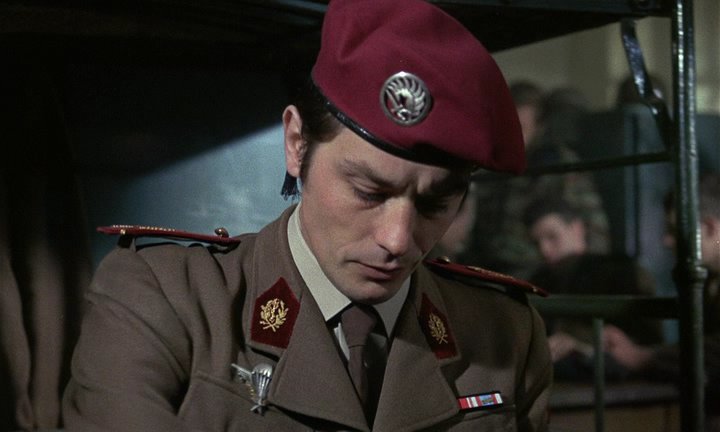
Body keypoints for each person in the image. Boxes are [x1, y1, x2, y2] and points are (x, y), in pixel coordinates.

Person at [61, 1, 553, 431]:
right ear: (297, 144)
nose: (398, 240)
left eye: (434, 204)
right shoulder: (165, 300)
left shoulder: (504, 333)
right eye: (368, 191)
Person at [604, 173, 720, 427]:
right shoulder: (707, 281)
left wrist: (643, 357)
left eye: (675, 230)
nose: (667, 241)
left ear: (710, 228)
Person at [464, 85, 610, 279]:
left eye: (520, 128)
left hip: (539, 273)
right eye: (505, 127)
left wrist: (584, 278)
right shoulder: (488, 167)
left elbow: (596, 232)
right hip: (488, 271)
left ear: (539, 128)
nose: (510, 136)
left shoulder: (560, 166)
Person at [523, 197, 663, 381]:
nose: (544, 249)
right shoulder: (538, 281)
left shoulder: (622, 273)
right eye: (536, 243)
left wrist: (580, 344)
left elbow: (645, 342)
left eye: (552, 236)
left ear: (577, 228)